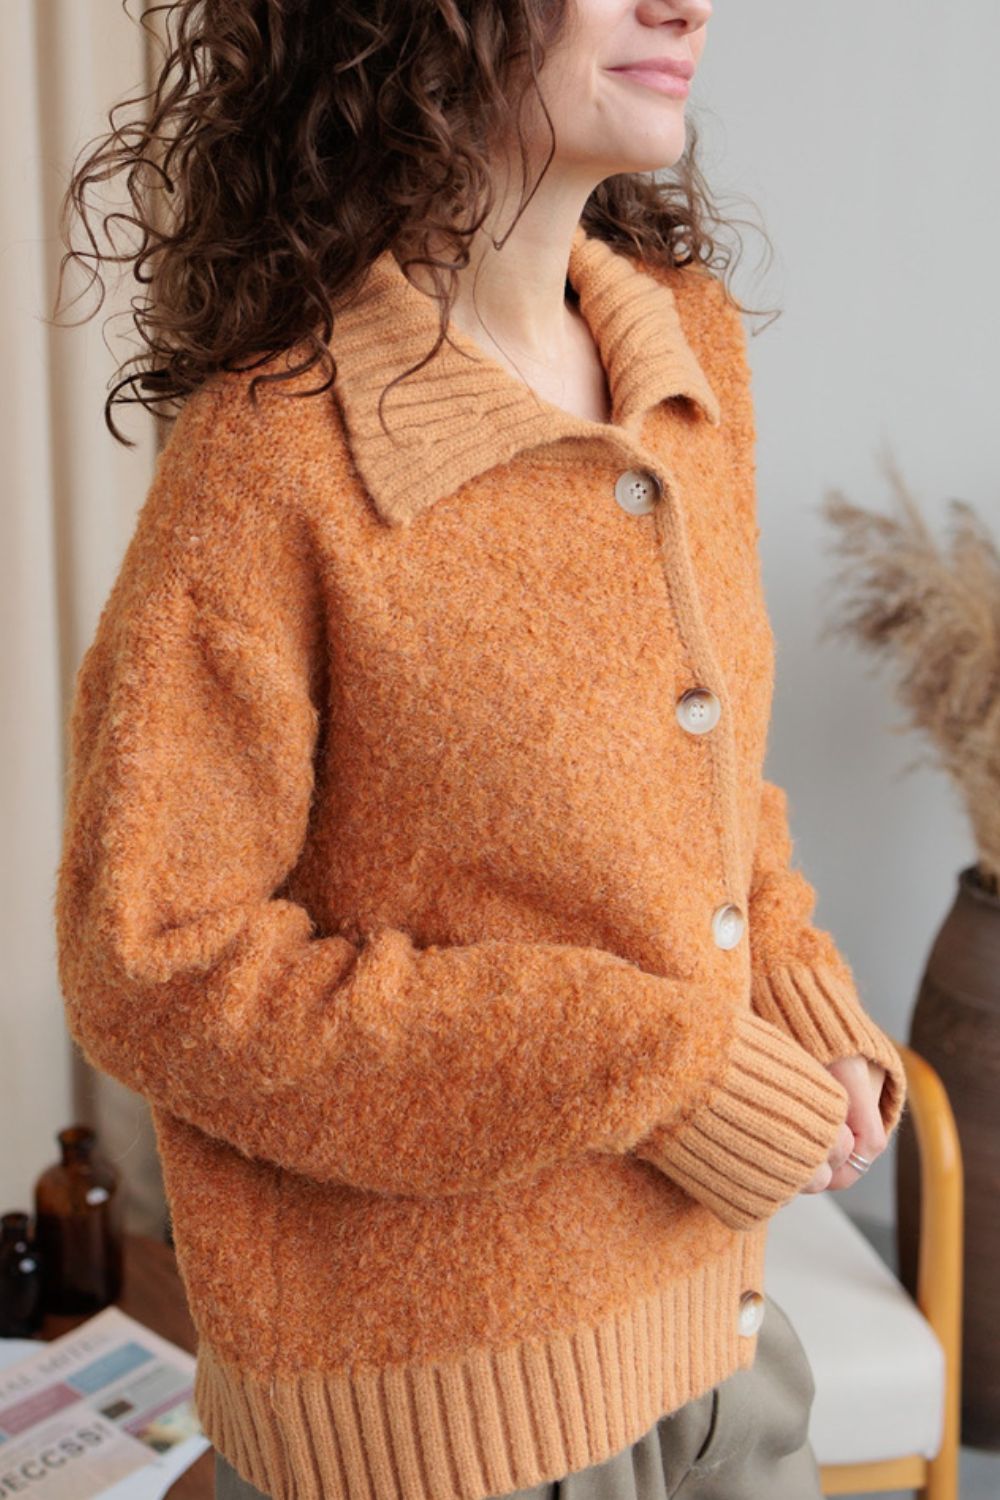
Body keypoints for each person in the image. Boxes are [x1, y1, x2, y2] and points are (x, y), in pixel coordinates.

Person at [53, 2, 908, 1499]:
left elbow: (710, 798)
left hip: (723, 1356)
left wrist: (798, 997)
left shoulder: (682, 349)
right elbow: (154, 965)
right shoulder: (275, 450)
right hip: (442, 1427)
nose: (685, 5)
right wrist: (658, 1066)